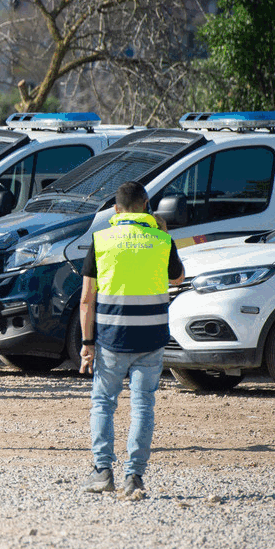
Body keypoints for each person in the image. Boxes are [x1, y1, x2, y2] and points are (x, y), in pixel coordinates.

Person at [79, 181, 185, 496]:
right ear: (146, 205)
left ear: (116, 209)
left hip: (112, 338)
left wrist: (87, 344)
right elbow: (177, 277)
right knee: (143, 406)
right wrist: (164, 234)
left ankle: (102, 471)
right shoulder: (161, 240)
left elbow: (87, 299)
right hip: (151, 337)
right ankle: (134, 477)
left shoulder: (101, 241)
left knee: (103, 402)